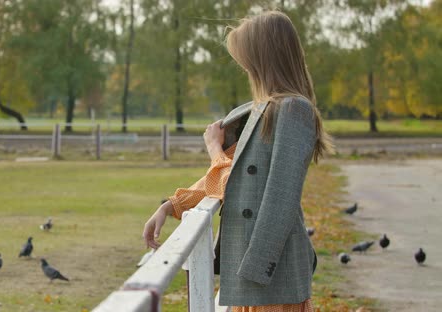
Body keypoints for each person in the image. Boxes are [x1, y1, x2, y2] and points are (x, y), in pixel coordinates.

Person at [142, 10, 334, 311]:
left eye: (247, 62)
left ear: (264, 59)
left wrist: (213, 149)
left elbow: (280, 198)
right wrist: (173, 205)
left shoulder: (294, 110)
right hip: (247, 269)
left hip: (271, 271)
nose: (246, 70)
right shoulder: (259, 111)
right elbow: (234, 174)